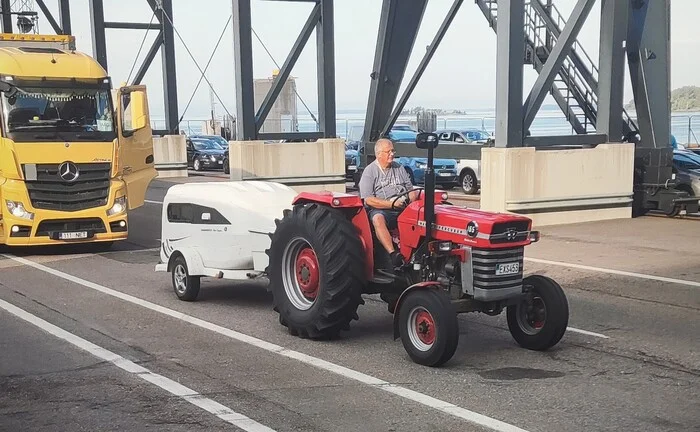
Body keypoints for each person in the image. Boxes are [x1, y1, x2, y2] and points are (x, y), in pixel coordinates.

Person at [358, 138, 419, 269]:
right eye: (388, 151)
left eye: (392, 151)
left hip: (402, 206)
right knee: (377, 218)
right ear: (379, 154)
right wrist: (391, 204)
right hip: (382, 209)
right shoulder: (370, 172)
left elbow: (410, 190)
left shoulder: (399, 168)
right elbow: (368, 200)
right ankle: (393, 254)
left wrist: (411, 203)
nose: (392, 154)